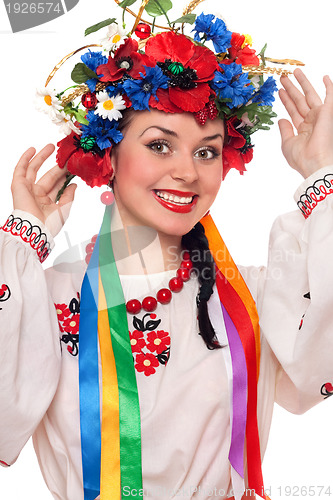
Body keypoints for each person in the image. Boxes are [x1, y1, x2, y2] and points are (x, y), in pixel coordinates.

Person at [1, 1, 333, 499]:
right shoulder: (46, 298)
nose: (188, 172)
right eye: (160, 144)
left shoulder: (251, 297)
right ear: (106, 153)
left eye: (207, 150)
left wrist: (321, 176)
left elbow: (318, 364)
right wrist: (23, 238)